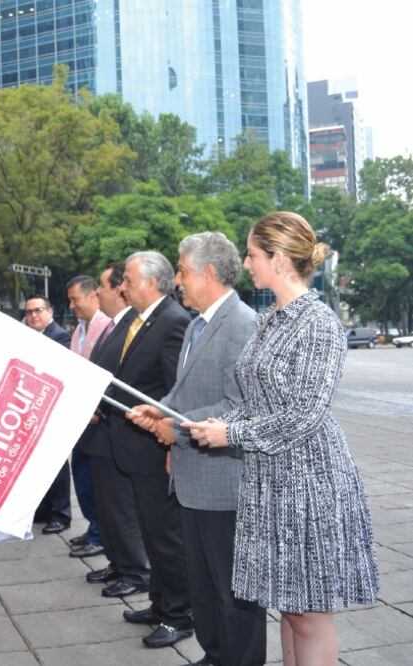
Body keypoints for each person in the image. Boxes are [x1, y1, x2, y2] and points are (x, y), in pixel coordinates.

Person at [184, 212, 378, 666]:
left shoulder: (317, 321)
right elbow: (258, 398)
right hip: (271, 478)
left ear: (279, 259)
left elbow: (304, 414)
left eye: (252, 254)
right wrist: (216, 423)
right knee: (290, 610)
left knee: (309, 615)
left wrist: (230, 432)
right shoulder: (273, 317)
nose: (247, 263)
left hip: (309, 479)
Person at [127, 232, 266, 666]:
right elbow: (183, 392)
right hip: (191, 482)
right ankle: (215, 653)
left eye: (183, 271)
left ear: (208, 272)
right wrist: (157, 410)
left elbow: (241, 406)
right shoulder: (195, 323)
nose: (178, 281)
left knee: (232, 590)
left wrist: (178, 430)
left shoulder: (243, 324)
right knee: (204, 585)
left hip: (225, 483)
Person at [107, 251, 193, 648]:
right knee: (151, 533)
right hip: (135, 448)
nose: (121, 286)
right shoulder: (140, 320)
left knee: (166, 537)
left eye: (127, 279)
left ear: (151, 283)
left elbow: (178, 390)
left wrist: (169, 433)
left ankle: (180, 615)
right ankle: (160, 604)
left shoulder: (174, 322)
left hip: (155, 447)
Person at [81, 262, 151, 593]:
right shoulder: (113, 327)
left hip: (116, 434)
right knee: (106, 509)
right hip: (101, 434)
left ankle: (136, 573)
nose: (98, 292)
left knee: (122, 510)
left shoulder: (132, 327)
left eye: (103, 286)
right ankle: (118, 563)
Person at [64, 275, 112, 558]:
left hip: (97, 419)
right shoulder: (79, 330)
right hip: (80, 417)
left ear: (92, 297)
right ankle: (94, 528)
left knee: (94, 481)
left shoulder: (106, 328)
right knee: (81, 477)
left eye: (75, 299)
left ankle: (100, 535)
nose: (71, 305)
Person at [23, 295, 72, 534]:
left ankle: (61, 514)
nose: (33, 315)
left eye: (38, 310)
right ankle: (44, 508)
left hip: (53, 408)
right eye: (29, 312)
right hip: (34, 409)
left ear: (49, 311)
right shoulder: (30, 337)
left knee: (57, 463)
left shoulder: (60, 336)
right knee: (38, 463)